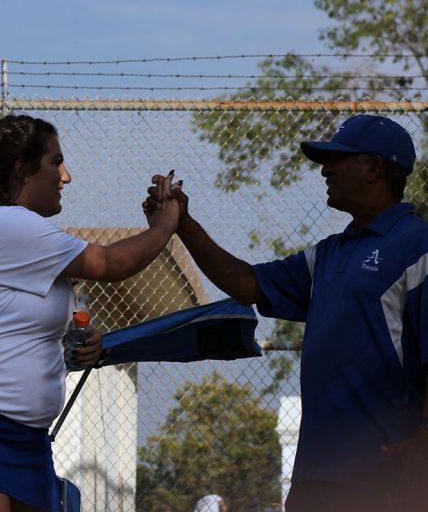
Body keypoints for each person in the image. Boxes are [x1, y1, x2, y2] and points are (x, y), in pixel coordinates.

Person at [144, 114, 428, 512]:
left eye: (337, 159)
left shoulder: (418, 247)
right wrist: (182, 224)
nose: (326, 170)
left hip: (383, 474)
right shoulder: (328, 253)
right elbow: (248, 284)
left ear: (374, 168)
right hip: (316, 473)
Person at [0, 114, 182, 511]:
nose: (66, 176)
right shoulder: (4, 224)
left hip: (26, 437)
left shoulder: (30, 242)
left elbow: (25, 328)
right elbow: (109, 264)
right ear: (23, 170)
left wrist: (77, 342)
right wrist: (165, 227)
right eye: (56, 162)